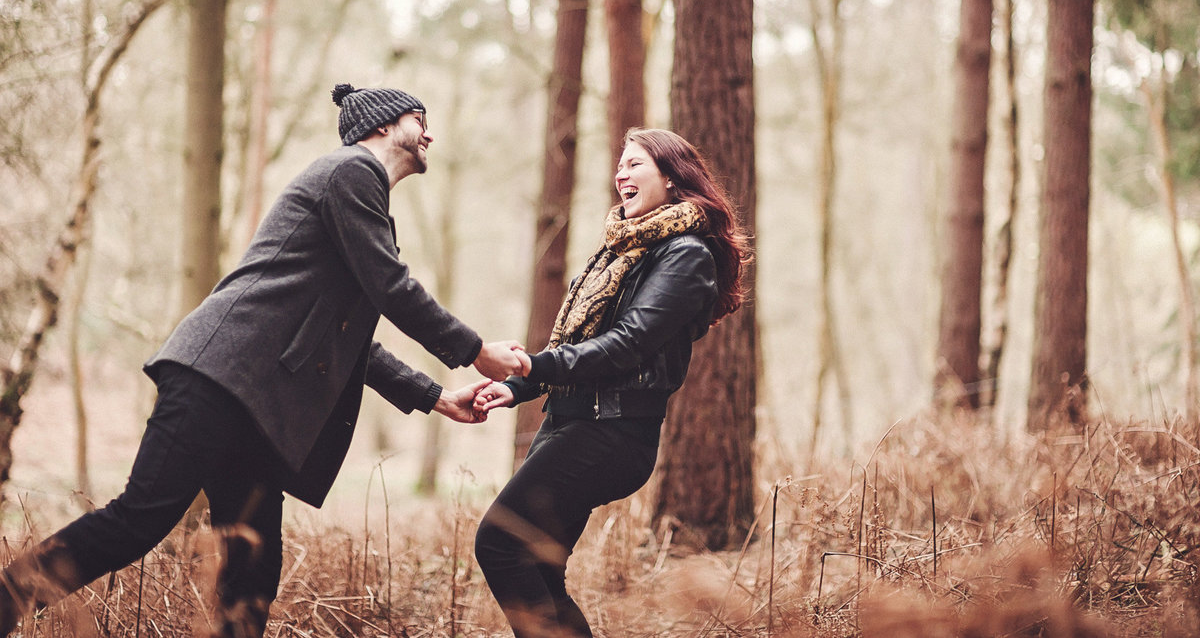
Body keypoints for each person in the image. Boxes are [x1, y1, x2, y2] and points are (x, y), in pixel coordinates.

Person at [0, 83, 529, 638]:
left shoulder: (358, 196)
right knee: (137, 521)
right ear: (383, 124)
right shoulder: (351, 171)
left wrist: (437, 397)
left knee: (253, 565)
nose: (430, 135)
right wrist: (476, 352)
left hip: (251, 406)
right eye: (420, 119)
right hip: (217, 377)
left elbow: (351, 341)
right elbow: (392, 286)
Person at [472, 127, 751, 638]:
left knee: (499, 543)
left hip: (612, 433)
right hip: (568, 422)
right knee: (538, 569)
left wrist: (534, 366)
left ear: (672, 177)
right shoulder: (622, 249)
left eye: (635, 164)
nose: (621, 174)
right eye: (620, 165)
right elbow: (580, 341)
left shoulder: (684, 254)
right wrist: (519, 387)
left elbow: (627, 344)